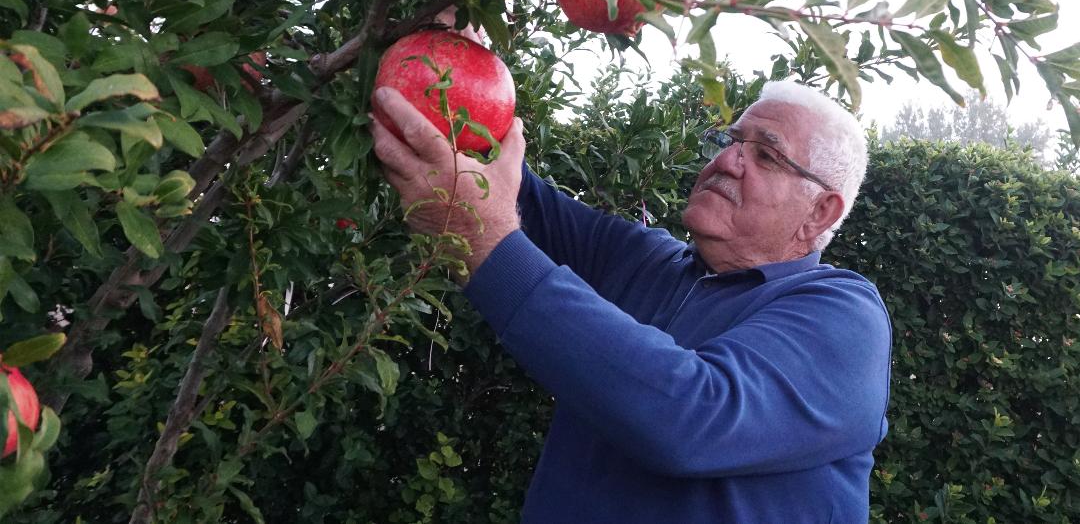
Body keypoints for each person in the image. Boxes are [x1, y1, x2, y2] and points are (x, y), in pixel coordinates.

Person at [370, 80, 892, 524]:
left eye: (766, 155)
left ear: (821, 211)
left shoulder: (841, 314)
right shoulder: (645, 261)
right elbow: (491, 176)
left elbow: (691, 419)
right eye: (731, 140)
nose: (727, 161)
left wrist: (486, 243)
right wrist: (453, 63)